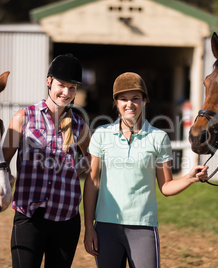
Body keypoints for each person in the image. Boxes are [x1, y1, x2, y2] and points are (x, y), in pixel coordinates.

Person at [83, 72, 209, 268]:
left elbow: (166, 186)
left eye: (135, 98)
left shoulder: (158, 138)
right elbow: (92, 183)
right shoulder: (101, 135)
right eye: (123, 99)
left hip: (143, 228)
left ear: (145, 101)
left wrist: (190, 178)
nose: (129, 104)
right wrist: (88, 227)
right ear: (116, 102)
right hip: (106, 227)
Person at [2, 54, 91, 268]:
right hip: (29, 216)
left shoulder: (79, 125)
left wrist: (74, 170)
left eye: (72, 88)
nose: (66, 92)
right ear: (49, 81)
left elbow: (92, 157)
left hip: (66, 217)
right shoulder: (23, 117)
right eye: (62, 85)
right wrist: (8, 176)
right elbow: (3, 161)